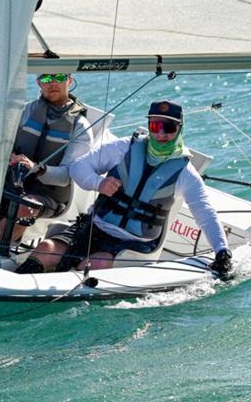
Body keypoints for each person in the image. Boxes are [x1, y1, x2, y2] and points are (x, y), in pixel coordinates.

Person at [19, 100, 233, 279]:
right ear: (149, 127)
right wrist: (99, 183)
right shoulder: (125, 147)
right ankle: (20, 288)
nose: (162, 134)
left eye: (169, 128)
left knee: (93, 266)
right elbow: (78, 168)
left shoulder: (185, 173)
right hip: (94, 226)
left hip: (132, 243)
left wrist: (222, 252)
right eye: (156, 127)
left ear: (179, 129)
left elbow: (205, 213)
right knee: (45, 250)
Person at [0, 73, 94, 259]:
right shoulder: (26, 111)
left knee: (26, 206)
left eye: (59, 77)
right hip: (11, 183)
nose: (53, 84)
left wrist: (37, 168)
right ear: (38, 83)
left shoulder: (81, 126)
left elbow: (67, 175)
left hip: (49, 197)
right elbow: (0, 145)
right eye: (46, 79)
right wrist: (6, 156)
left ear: (69, 80)